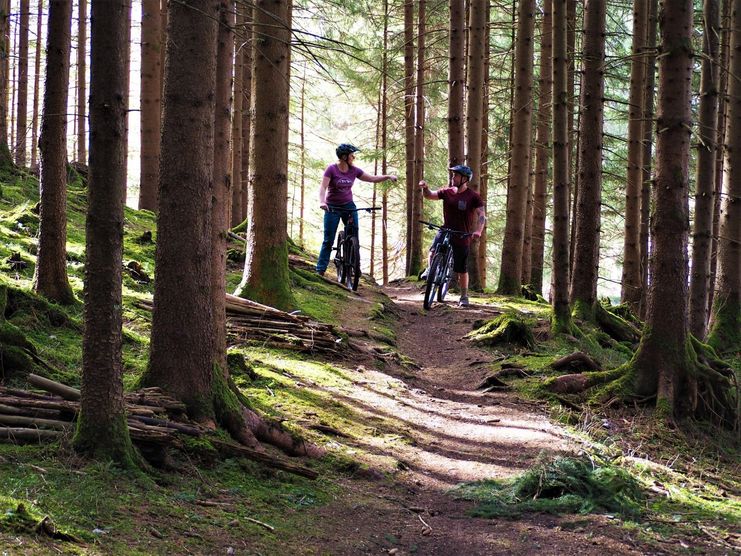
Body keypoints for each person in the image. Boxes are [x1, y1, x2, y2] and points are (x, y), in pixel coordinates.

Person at [316, 143, 397, 275]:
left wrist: (387, 176)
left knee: (354, 236)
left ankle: (354, 265)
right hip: (332, 207)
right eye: (351, 155)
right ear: (344, 157)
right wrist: (322, 202)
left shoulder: (354, 170)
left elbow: (371, 178)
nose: (353, 157)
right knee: (328, 240)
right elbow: (323, 187)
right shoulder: (331, 169)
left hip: (349, 206)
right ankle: (320, 270)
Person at [419, 165, 486, 307]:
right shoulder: (447, 192)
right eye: (453, 175)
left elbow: (481, 215)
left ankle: (464, 296)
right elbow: (430, 195)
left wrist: (478, 231)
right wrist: (425, 188)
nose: (452, 178)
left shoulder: (473, 197)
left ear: (464, 179)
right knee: (432, 251)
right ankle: (432, 271)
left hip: (462, 235)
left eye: (455, 175)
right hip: (446, 229)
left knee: (461, 269)